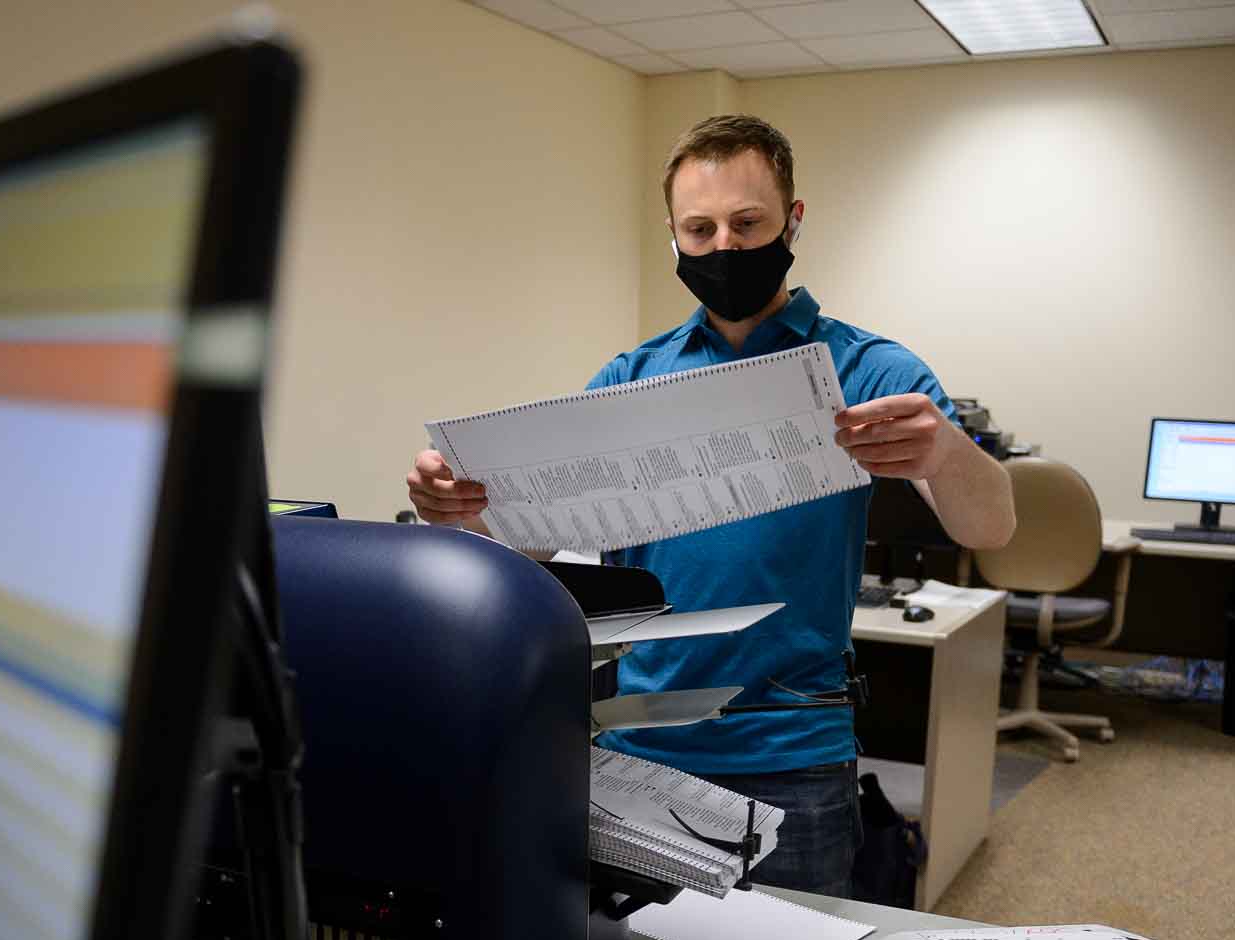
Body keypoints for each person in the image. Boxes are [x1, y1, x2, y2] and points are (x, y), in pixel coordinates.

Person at [407, 115, 1014, 899]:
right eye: (699, 229)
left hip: (790, 752)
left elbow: (989, 525)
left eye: (747, 222)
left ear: (793, 221)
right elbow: (532, 547)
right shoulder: (632, 374)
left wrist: (948, 454)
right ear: (674, 238)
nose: (723, 246)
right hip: (638, 743)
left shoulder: (866, 368)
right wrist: (459, 515)